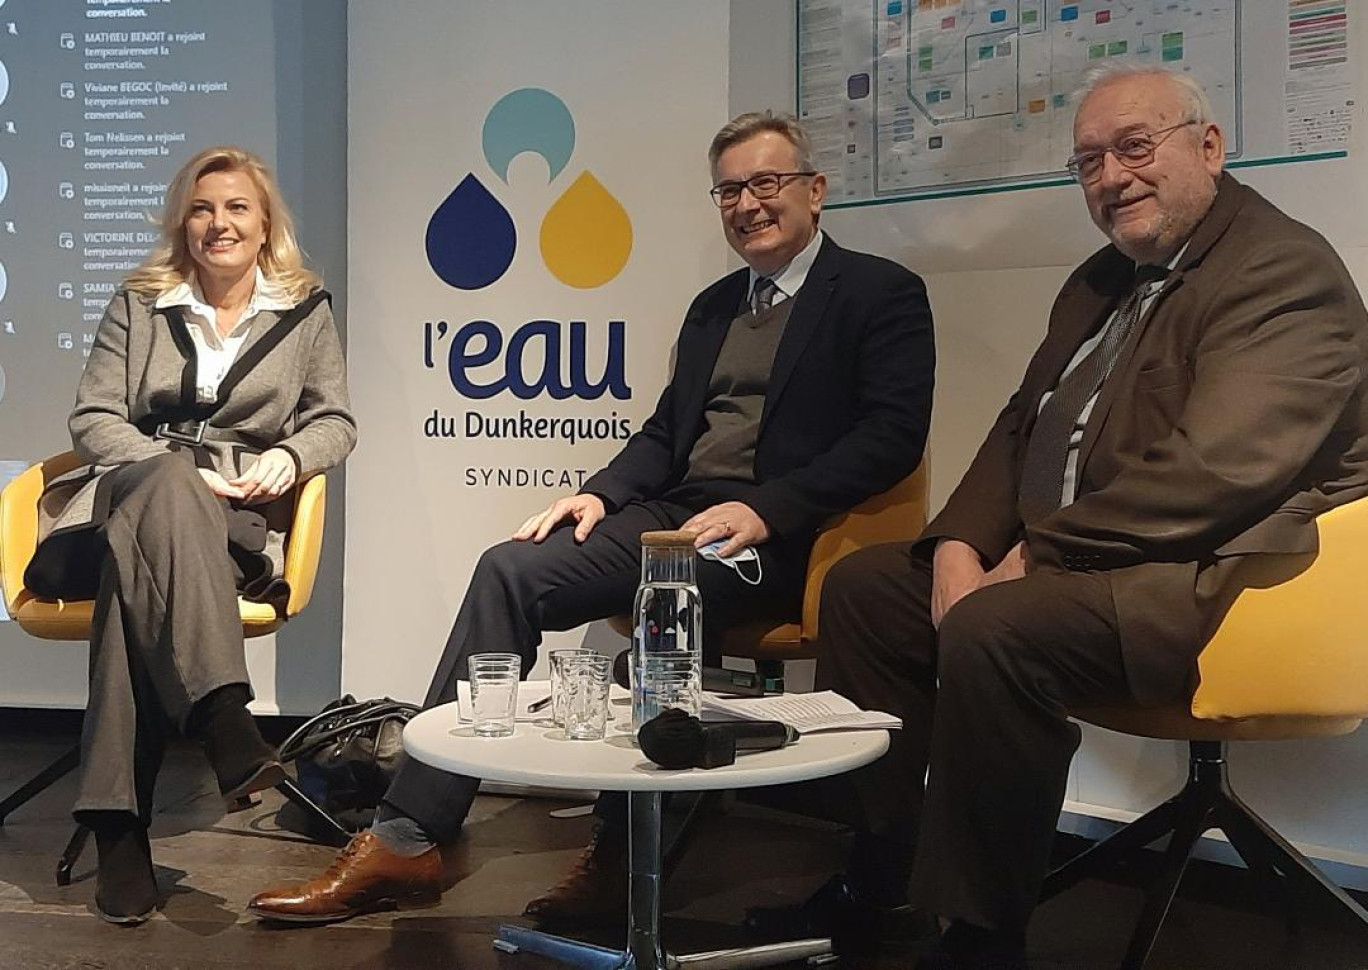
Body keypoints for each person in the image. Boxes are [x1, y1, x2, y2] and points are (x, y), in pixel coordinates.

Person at [247, 110, 935, 925]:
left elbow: (892, 438)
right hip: (674, 517)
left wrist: (767, 509)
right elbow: (666, 433)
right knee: (512, 568)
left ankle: (621, 858)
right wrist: (602, 493)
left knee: (664, 611)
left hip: (779, 537)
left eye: (767, 183)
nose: (748, 203)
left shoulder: (879, 293)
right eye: (730, 189)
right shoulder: (714, 306)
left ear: (814, 192)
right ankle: (408, 837)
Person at [780, 64, 1368, 970]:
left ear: (1208, 148)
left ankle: (981, 937)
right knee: (866, 589)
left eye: (1135, 147)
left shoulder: (1284, 270)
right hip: (1092, 562)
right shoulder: (1101, 277)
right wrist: (957, 547)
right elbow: (1022, 423)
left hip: (1215, 575)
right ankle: (881, 872)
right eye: (1088, 161)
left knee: (998, 628)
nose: (1111, 177)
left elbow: (1216, 475)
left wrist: (1030, 559)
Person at [25, 146, 357, 924]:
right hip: (123, 499)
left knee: (129, 586)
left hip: (226, 526)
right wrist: (170, 467)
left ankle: (116, 827)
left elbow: (335, 420)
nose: (219, 224)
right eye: (204, 208)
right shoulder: (140, 302)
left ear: (265, 221)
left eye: (237, 207)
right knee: (164, 485)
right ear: (184, 220)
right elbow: (94, 418)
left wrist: (288, 455)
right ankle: (222, 717)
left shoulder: (305, 309)